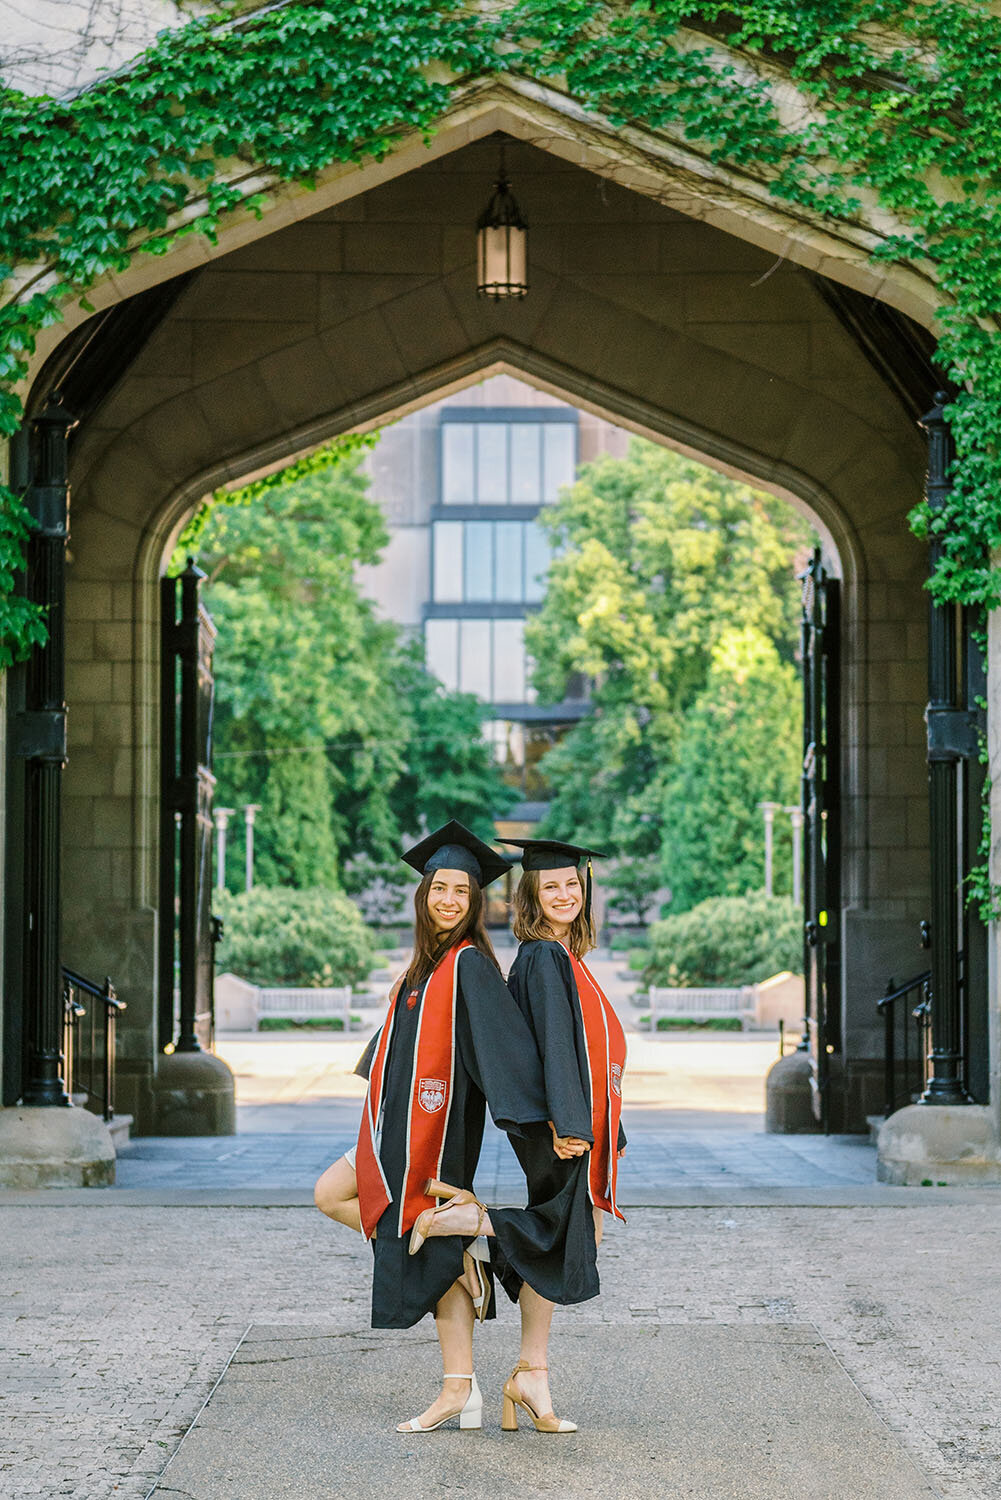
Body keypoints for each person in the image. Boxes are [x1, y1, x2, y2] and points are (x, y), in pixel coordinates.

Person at [314, 820, 552, 1434]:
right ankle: (460, 1376)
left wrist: (549, 1123)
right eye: (438, 888)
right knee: (345, 1200)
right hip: (395, 1130)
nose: (448, 900)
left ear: (476, 902)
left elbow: (505, 1049)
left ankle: (457, 1368)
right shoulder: (428, 962)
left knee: (385, 1216)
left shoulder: (469, 964)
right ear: (423, 895)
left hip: (434, 1136)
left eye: (461, 892)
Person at [412, 838, 626, 1436]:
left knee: (568, 1235)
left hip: (572, 1124)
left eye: (572, 885)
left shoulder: (561, 954)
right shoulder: (543, 956)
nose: (564, 894)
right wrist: (572, 1126)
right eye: (550, 886)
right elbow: (554, 1044)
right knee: (564, 1231)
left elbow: (586, 1049)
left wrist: (608, 1128)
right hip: (564, 1128)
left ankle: (531, 1374)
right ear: (529, 895)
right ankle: (470, 1226)